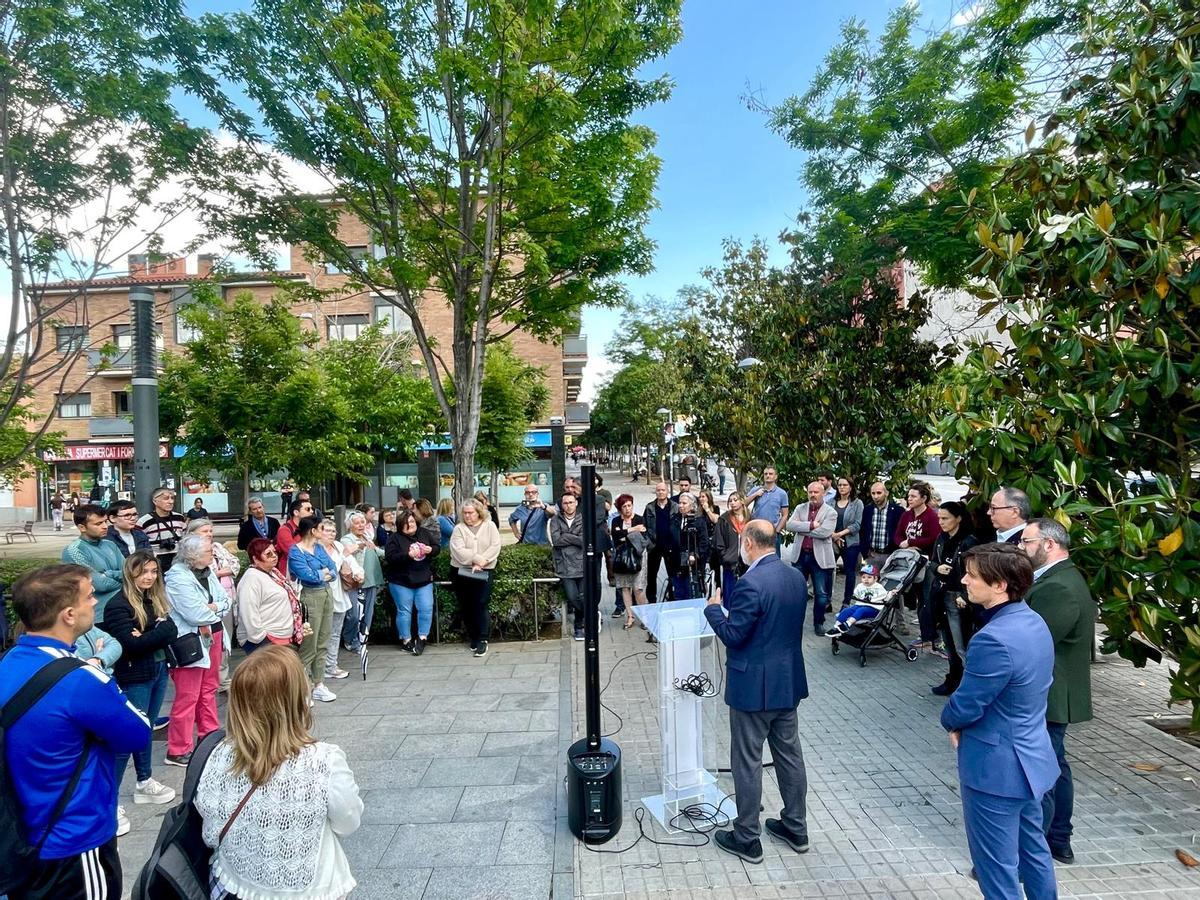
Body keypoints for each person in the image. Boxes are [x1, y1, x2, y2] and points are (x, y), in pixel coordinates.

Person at [0, 564, 151, 900]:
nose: (95, 602)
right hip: (75, 840)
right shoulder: (81, 678)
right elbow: (139, 733)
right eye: (88, 596)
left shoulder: (7, 664)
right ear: (69, 615)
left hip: (19, 841)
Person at [194, 645, 363, 900]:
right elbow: (348, 821)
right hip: (309, 889)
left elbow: (208, 824)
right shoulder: (324, 761)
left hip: (233, 882)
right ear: (296, 700)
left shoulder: (217, 754)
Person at [940, 543, 1058, 900]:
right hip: (1031, 757)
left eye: (972, 575)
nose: (964, 580)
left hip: (996, 768)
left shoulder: (992, 639)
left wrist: (950, 722)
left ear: (1000, 585)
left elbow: (966, 703)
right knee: (1034, 852)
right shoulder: (1033, 621)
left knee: (996, 868)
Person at [703, 520, 810, 864]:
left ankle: (747, 837)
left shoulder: (750, 583)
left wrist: (713, 611)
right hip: (787, 682)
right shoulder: (794, 576)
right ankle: (795, 826)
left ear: (749, 542)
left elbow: (735, 635)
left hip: (753, 688)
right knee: (789, 756)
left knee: (747, 761)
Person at [1022, 517, 1096, 865]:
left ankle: (1029, 855)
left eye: (1026, 542)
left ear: (1049, 545)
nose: (1021, 548)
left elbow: (1033, 644)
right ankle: (1058, 839)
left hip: (1049, 694)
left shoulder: (1058, 586)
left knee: (1040, 775)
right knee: (1055, 766)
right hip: (1054, 693)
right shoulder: (1058, 578)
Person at [102, 551, 178, 807]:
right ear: (130, 572)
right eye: (143, 571)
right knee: (129, 733)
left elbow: (171, 629)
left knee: (145, 730)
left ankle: (145, 781)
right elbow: (130, 645)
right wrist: (158, 630)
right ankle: (108, 801)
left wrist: (153, 631)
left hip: (158, 669)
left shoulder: (152, 599)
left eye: (153, 571)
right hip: (135, 675)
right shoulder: (118, 605)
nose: (149, 577)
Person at [164, 533, 232, 766]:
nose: (212, 555)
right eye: (207, 552)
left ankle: (209, 734)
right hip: (190, 641)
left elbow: (226, 601)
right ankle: (178, 748)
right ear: (192, 555)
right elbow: (194, 614)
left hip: (212, 634)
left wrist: (214, 607)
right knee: (188, 696)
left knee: (208, 689)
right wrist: (216, 608)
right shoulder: (177, 578)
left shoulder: (207, 571)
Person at [929, 501, 978, 696]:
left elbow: (974, 571)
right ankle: (953, 679)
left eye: (945, 518)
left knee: (961, 644)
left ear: (958, 518)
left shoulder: (968, 542)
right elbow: (932, 562)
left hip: (958, 597)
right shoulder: (941, 538)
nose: (941, 522)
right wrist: (936, 568)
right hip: (941, 594)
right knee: (948, 642)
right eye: (939, 518)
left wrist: (965, 595)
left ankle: (969, 686)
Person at [186, 517, 240, 691]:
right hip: (205, 605)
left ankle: (222, 678)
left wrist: (216, 572)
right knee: (207, 642)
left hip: (226, 599)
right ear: (193, 534)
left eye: (210, 531)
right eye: (204, 531)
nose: (209, 534)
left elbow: (236, 564)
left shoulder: (218, 548)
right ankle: (207, 679)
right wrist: (219, 573)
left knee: (224, 640)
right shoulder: (188, 552)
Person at [288, 516, 339, 702]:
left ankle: (319, 683)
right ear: (313, 531)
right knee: (309, 641)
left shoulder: (318, 548)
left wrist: (321, 574)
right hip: (309, 597)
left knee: (323, 640)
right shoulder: (296, 551)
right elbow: (305, 575)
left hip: (326, 594)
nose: (324, 531)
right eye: (321, 528)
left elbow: (333, 569)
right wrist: (321, 573)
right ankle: (301, 687)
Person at [449, 498, 501, 658]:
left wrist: (483, 561)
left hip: (484, 570)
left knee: (481, 602)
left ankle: (483, 638)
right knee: (466, 605)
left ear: (478, 512)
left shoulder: (490, 526)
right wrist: (476, 559)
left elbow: (495, 545)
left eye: (470, 513)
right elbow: (457, 549)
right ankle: (473, 636)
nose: (467, 516)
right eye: (465, 513)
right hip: (462, 571)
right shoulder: (458, 529)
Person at [785, 482, 837, 634]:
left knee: (821, 595)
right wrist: (812, 525)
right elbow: (789, 525)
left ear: (823, 493)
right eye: (810, 492)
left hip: (819, 558)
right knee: (796, 593)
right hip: (800, 556)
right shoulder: (800, 508)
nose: (813, 495)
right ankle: (794, 623)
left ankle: (819, 623)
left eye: (816, 492)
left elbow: (825, 533)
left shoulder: (830, 512)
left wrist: (802, 529)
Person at [896, 482, 942, 651]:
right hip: (910, 561)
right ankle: (925, 634)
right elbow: (898, 534)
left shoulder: (931, 516)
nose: (910, 499)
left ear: (924, 498)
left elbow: (934, 537)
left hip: (926, 563)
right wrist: (904, 544)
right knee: (916, 598)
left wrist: (912, 542)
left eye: (914, 496)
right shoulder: (907, 515)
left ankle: (930, 637)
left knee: (926, 599)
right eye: (909, 496)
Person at [384, 509, 439, 654]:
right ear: (400, 525)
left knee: (426, 607)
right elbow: (390, 558)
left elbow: (437, 548)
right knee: (404, 611)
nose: (410, 525)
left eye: (412, 522)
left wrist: (430, 550)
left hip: (424, 578)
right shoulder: (394, 538)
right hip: (401, 580)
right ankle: (406, 639)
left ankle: (422, 637)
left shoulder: (424, 533)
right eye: (406, 523)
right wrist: (408, 555)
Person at [61, 502, 126, 623]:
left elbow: (130, 574)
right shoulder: (74, 551)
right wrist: (122, 582)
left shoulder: (110, 545)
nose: (105, 526)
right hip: (97, 617)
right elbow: (99, 585)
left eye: (105, 521)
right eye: (98, 523)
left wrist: (108, 574)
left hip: (123, 611)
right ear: (82, 527)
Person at [237, 538, 304, 653]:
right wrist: (262, 639)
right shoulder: (251, 579)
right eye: (268, 554)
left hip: (283, 637)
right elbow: (249, 612)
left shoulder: (274, 573)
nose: (274, 556)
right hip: (267, 641)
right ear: (255, 559)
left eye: (274, 552)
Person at [340, 510, 383, 651]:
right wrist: (360, 545)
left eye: (362, 522)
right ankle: (349, 639)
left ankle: (362, 639)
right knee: (353, 614)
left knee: (368, 613)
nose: (360, 525)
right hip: (355, 582)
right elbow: (345, 552)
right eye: (357, 523)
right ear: (350, 526)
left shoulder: (367, 537)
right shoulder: (347, 539)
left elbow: (378, 552)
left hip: (371, 580)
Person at [318, 519, 355, 681]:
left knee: (334, 634)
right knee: (320, 634)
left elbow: (350, 562)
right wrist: (344, 556)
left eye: (333, 531)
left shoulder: (338, 546)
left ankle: (331, 665)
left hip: (339, 595)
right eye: (327, 531)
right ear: (318, 532)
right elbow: (328, 570)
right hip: (321, 595)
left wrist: (358, 572)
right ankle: (318, 667)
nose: (331, 534)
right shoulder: (314, 549)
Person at [549, 491, 587, 640]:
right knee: (572, 597)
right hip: (564, 565)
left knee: (582, 597)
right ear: (561, 505)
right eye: (565, 503)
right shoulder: (555, 520)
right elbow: (556, 540)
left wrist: (566, 536)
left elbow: (584, 541)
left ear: (576, 503)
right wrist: (574, 538)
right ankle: (588, 616)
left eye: (571, 502)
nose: (568, 505)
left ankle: (579, 626)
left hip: (582, 564)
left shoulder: (584, 518)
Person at [610, 494, 648, 630]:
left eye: (629, 505)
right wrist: (633, 530)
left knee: (638, 589)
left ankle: (644, 616)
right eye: (624, 506)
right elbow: (616, 538)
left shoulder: (639, 518)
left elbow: (640, 539)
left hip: (637, 557)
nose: (627, 509)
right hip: (621, 558)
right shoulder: (615, 521)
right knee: (625, 587)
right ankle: (630, 616)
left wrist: (624, 534)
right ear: (620, 508)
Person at [823, 563, 889, 635]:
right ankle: (837, 627)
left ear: (875, 578)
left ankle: (848, 624)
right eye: (863, 577)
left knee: (861, 610)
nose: (866, 580)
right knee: (846, 610)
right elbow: (856, 594)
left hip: (873, 609)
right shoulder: (860, 586)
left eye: (869, 577)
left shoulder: (879, 587)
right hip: (860, 605)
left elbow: (886, 596)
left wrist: (891, 593)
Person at [829, 477, 863, 610]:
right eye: (839, 485)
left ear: (851, 487)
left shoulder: (857, 503)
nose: (842, 487)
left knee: (850, 573)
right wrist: (834, 535)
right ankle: (827, 601)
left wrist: (840, 534)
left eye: (845, 485)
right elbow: (826, 520)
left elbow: (857, 525)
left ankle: (846, 602)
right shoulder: (831, 502)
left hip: (850, 542)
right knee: (828, 571)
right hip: (832, 540)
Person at [642, 481, 679, 604]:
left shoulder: (675, 506)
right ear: (655, 492)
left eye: (663, 490)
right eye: (658, 490)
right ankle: (651, 599)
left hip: (670, 546)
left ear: (667, 491)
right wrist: (648, 542)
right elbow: (644, 526)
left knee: (672, 574)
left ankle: (673, 597)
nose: (661, 492)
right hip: (654, 546)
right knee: (651, 575)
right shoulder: (649, 507)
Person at [712, 491, 751, 600]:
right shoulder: (724, 519)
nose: (732, 503)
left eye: (735, 500)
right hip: (730, 563)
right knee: (730, 594)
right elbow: (718, 540)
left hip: (747, 562)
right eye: (730, 501)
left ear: (742, 501)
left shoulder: (750, 519)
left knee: (745, 593)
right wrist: (725, 556)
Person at [671, 493, 709, 601]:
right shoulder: (675, 519)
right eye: (680, 503)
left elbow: (704, 542)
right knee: (678, 594)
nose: (681, 506)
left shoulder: (699, 521)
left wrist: (695, 554)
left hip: (693, 565)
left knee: (692, 594)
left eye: (684, 503)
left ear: (692, 505)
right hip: (676, 563)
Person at [137, 487, 187, 571]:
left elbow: (185, 538)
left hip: (178, 563)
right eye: (166, 498)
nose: (171, 502)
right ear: (155, 501)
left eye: (172, 498)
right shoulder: (144, 521)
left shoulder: (179, 518)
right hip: (156, 565)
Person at [860, 481, 904, 571]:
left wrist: (896, 550)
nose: (876, 496)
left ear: (886, 493)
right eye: (873, 493)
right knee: (871, 583)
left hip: (891, 555)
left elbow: (901, 531)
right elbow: (863, 531)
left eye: (879, 493)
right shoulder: (867, 510)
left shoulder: (897, 511)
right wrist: (865, 551)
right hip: (872, 555)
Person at [746, 466, 789, 537]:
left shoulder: (782, 493)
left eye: (770, 474)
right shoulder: (756, 489)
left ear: (775, 477)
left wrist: (777, 531)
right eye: (766, 474)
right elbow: (743, 504)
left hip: (772, 531)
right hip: (756, 530)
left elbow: (785, 515)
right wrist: (755, 495)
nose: (768, 476)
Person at [276, 497, 314, 576]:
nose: (312, 511)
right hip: (291, 574)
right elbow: (294, 552)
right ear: (296, 512)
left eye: (312, 509)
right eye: (308, 509)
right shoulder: (284, 530)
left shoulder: (311, 528)